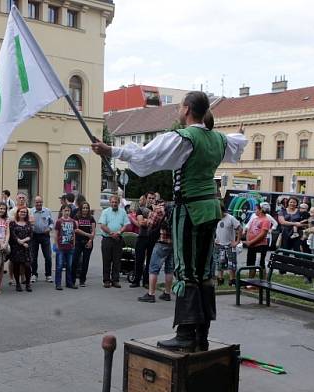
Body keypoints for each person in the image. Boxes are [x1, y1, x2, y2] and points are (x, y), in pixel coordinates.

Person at [92, 90, 247, 351]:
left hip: (191, 210)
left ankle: (186, 334)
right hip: (212, 209)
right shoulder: (219, 139)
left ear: (187, 109)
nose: (178, 111)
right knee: (204, 271)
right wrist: (240, 133)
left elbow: (145, 156)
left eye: (180, 107)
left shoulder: (183, 138)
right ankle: (202, 334)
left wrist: (110, 150)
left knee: (186, 269)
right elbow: (237, 143)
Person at [138, 201, 174, 303]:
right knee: (169, 269)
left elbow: (150, 224)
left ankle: (151, 294)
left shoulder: (159, 209)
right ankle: (167, 293)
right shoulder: (177, 208)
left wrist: (150, 215)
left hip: (161, 242)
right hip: (174, 243)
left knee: (153, 268)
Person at [98, 195, 128, 288]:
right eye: (112, 202)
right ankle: (106, 280)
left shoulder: (123, 212)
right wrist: (111, 233)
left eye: (116, 202)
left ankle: (115, 280)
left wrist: (118, 233)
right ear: (110, 203)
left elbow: (125, 225)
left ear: (119, 203)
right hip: (107, 239)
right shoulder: (105, 212)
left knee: (117, 260)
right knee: (106, 260)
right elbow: (102, 225)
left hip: (118, 239)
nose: (114, 204)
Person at [242, 204, 271, 283]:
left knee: (259, 263)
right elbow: (249, 230)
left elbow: (263, 234)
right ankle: (250, 282)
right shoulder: (255, 219)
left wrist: (251, 242)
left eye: (256, 209)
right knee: (251, 263)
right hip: (251, 245)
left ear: (261, 210)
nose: (255, 211)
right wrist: (248, 240)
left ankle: (264, 282)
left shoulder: (266, 220)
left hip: (260, 245)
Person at [213, 205, 241, 287]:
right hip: (219, 245)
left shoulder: (231, 218)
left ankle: (232, 280)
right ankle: (220, 279)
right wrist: (214, 239)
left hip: (229, 245)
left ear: (222, 211)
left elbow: (240, 229)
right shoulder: (216, 218)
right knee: (219, 263)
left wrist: (237, 241)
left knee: (231, 264)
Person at [30, 196, 54, 283]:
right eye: (37, 202)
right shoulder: (31, 211)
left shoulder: (47, 211)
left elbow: (52, 222)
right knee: (33, 257)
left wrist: (50, 228)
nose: (39, 204)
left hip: (45, 235)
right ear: (34, 203)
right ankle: (34, 274)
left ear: (42, 202)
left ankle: (48, 275)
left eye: (40, 202)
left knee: (48, 256)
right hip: (34, 236)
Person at [54, 204, 78, 290]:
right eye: (65, 210)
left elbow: (74, 233)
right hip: (61, 247)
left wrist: (74, 244)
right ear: (62, 211)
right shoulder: (59, 221)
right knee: (59, 266)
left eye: (68, 211)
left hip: (70, 247)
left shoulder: (73, 221)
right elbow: (56, 234)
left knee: (69, 266)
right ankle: (58, 283)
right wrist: (56, 245)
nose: (67, 212)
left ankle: (69, 283)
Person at [72, 201, 96, 287]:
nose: (85, 209)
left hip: (88, 243)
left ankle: (82, 280)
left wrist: (90, 240)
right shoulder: (76, 217)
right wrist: (87, 235)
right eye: (83, 208)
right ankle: (72, 280)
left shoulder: (91, 218)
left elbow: (93, 230)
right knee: (75, 261)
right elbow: (76, 229)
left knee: (85, 262)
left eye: (87, 208)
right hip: (78, 242)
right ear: (81, 209)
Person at [9, 205, 32, 291]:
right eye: (21, 212)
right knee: (16, 266)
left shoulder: (28, 223)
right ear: (18, 213)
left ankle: (28, 284)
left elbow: (31, 235)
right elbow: (12, 235)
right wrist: (20, 242)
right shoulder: (13, 223)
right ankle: (18, 284)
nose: (23, 213)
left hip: (26, 248)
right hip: (16, 247)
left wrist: (25, 240)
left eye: (25, 212)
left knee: (27, 265)